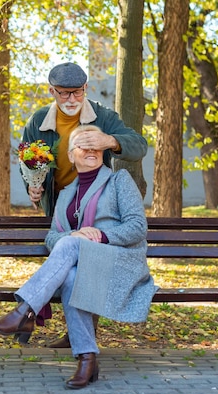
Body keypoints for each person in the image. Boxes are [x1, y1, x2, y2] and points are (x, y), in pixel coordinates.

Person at [0, 125, 157, 390]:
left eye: (95, 145)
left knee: (70, 245)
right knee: (72, 275)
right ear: (71, 155)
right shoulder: (65, 195)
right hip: (85, 265)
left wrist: (98, 235)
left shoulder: (119, 180)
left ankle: (23, 311)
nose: (91, 150)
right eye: (83, 145)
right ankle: (87, 358)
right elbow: (52, 237)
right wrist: (76, 236)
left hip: (118, 262)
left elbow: (137, 227)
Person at [21, 61, 149, 348]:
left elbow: (139, 144)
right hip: (62, 202)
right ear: (52, 91)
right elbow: (27, 161)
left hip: (97, 201)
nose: (71, 100)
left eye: (77, 93)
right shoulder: (38, 121)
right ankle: (74, 337)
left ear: (85, 89)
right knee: (72, 268)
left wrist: (111, 140)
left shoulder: (102, 116)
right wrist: (32, 186)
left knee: (79, 263)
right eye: (64, 93)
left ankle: (25, 311)